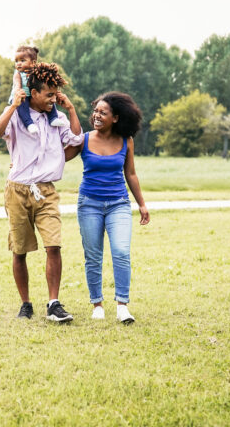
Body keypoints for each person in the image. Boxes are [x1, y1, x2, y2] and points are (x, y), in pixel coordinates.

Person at [0, 62, 83, 322]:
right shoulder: (18, 118)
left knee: (54, 246)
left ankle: (53, 304)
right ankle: (26, 304)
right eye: (49, 94)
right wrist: (12, 105)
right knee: (20, 250)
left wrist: (71, 109)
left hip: (46, 191)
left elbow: (76, 140)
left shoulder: (57, 119)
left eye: (55, 94)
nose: (54, 99)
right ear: (34, 93)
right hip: (17, 190)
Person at [64, 92, 150, 324]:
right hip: (89, 204)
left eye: (103, 112)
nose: (97, 116)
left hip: (118, 204)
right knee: (93, 256)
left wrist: (141, 203)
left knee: (121, 252)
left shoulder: (126, 141)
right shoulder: (84, 139)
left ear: (115, 118)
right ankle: (97, 305)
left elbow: (130, 173)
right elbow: (58, 158)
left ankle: (122, 306)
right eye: (96, 111)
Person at [8, 46, 67, 134]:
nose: (18, 63)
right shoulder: (18, 73)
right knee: (23, 108)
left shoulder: (36, 72)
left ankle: (53, 118)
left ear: (33, 63)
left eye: (22, 60)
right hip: (21, 95)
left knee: (50, 99)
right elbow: (17, 84)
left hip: (32, 95)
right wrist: (18, 93)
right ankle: (29, 124)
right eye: (16, 61)